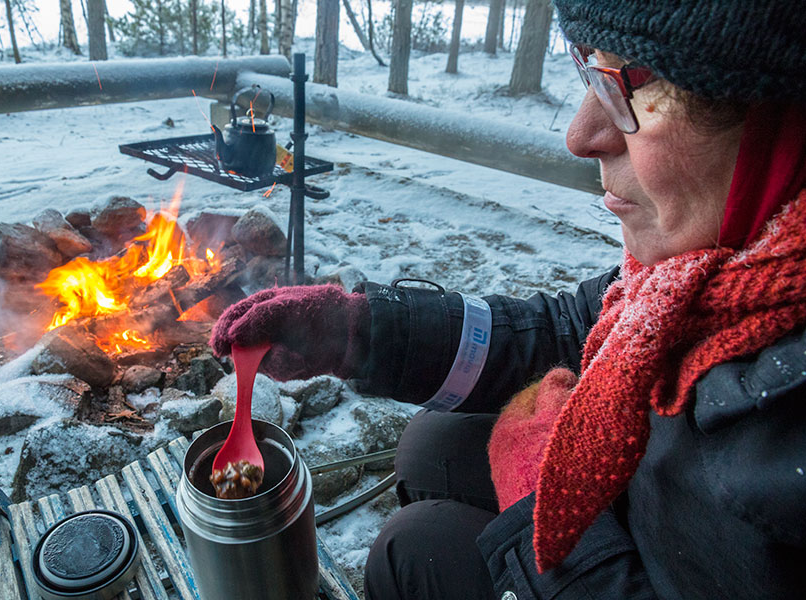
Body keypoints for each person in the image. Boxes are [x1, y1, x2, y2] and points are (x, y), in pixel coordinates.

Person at [210, 1, 806, 597]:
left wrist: (537, 507)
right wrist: (357, 333)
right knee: (428, 442)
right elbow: (572, 328)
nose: (580, 136)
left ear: (781, 122)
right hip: (644, 502)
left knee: (409, 550)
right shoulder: (717, 265)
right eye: (587, 72)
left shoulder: (781, 448)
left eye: (626, 92)